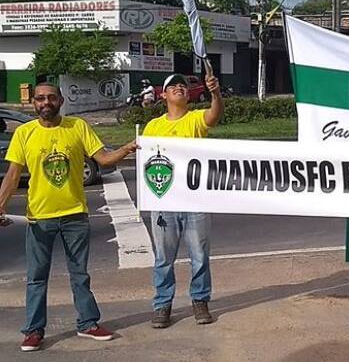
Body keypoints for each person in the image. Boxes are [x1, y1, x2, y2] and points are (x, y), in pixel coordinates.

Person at [0, 83, 138, 352]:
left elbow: (104, 158)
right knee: (37, 277)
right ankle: (33, 331)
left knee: (79, 274)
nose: (45, 102)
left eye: (51, 97)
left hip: (75, 215)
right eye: (40, 98)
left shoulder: (78, 127)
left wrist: (127, 149)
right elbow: (13, 175)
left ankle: (88, 323)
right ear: (34, 103)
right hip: (39, 219)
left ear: (61, 100)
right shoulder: (24, 133)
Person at [144, 73, 223, 329]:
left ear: (188, 95)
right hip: (164, 202)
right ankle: (162, 304)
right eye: (173, 86)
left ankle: (200, 300)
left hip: (195, 201)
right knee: (163, 258)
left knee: (199, 255)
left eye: (184, 86)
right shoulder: (153, 126)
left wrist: (215, 94)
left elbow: (214, 115)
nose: (180, 88)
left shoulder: (195, 119)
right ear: (163, 95)